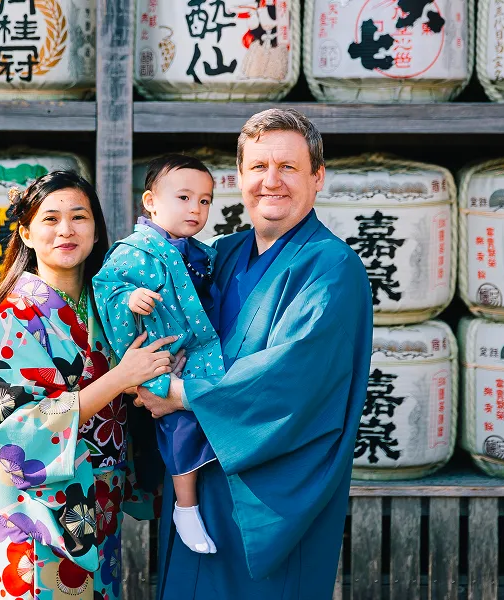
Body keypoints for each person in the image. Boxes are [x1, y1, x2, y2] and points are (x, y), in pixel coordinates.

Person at [133, 108, 373, 599]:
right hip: (194, 480)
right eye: (258, 167)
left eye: (288, 167)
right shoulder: (218, 254)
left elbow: (291, 381)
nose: (272, 182)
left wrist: (177, 393)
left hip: (268, 494)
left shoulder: (331, 268)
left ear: (317, 176)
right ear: (239, 176)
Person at [0, 171, 176, 600]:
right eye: (50, 219)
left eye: (79, 217)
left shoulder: (110, 304)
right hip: (38, 508)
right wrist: (120, 378)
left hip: (99, 500)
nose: (66, 229)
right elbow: (15, 427)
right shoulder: (13, 319)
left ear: (96, 229)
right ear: (26, 233)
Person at [93, 154, 225, 555]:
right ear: (150, 201)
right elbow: (105, 288)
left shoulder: (199, 250)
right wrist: (128, 298)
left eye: (204, 201)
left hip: (196, 348)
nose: (196, 209)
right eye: (184, 197)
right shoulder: (133, 250)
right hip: (155, 354)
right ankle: (186, 506)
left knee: (221, 404)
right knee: (179, 423)